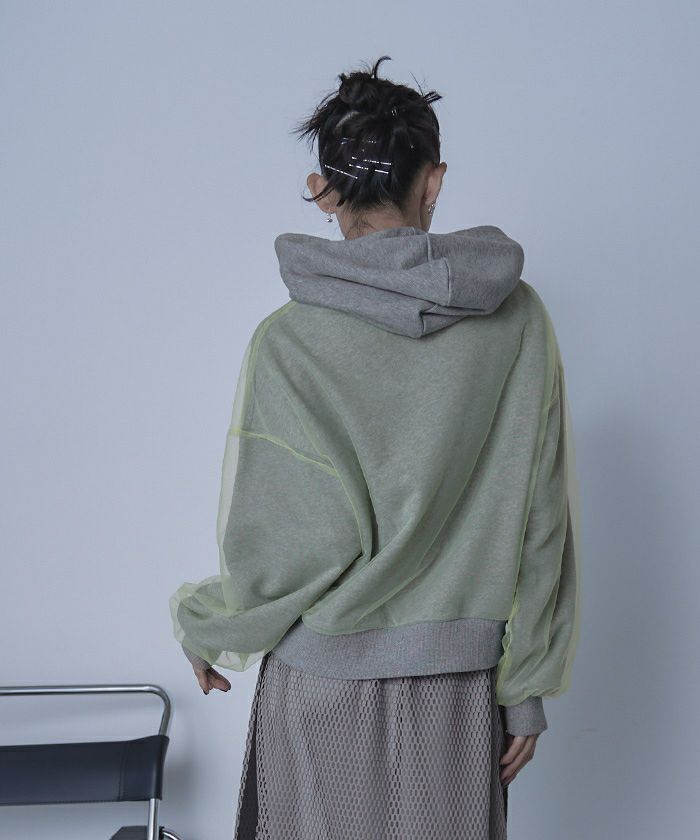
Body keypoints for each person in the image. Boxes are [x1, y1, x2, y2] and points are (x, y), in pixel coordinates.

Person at [169, 55, 582, 839]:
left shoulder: (289, 342)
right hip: (457, 690)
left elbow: (283, 540)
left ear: (323, 190)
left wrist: (211, 624)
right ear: (434, 181)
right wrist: (525, 683)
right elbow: (541, 517)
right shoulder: (518, 321)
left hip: (318, 686)